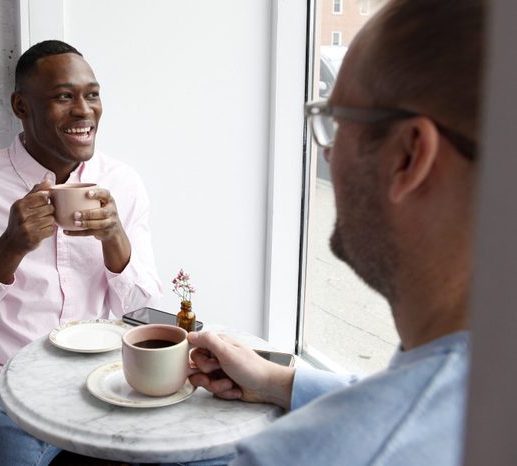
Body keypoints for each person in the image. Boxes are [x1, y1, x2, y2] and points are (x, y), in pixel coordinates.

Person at [187, 0, 482, 464]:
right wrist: (275, 381)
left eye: (337, 120)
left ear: (409, 155)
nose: (327, 154)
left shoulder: (295, 456)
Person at [0, 40, 162, 465]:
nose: (84, 110)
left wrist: (115, 238)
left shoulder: (122, 182)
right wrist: (9, 247)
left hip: (100, 388)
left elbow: (142, 313)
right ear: (21, 106)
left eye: (92, 94)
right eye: (64, 96)